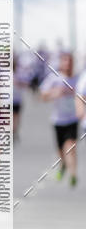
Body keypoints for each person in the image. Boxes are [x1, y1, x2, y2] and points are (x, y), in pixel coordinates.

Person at [40, 52, 79, 187]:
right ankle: (63, 165)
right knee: (61, 150)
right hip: (58, 120)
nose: (68, 64)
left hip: (72, 119)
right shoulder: (54, 78)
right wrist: (54, 93)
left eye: (70, 61)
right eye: (65, 61)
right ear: (61, 63)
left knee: (71, 146)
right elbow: (43, 95)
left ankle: (73, 174)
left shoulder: (77, 79)